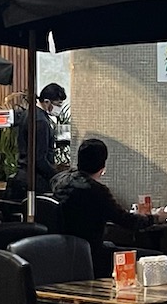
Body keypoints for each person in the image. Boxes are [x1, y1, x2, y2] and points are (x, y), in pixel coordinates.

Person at [50, 137, 145, 277]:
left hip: (62, 252)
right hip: (93, 255)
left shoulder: (59, 180)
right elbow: (126, 221)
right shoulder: (96, 191)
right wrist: (153, 218)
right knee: (155, 258)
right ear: (103, 164)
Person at [32, 82, 64, 194]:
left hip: (27, 175)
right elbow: (40, 157)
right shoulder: (41, 121)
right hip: (37, 179)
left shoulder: (30, 114)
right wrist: (56, 175)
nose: (59, 108)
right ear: (46, 102)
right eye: (58, 105)